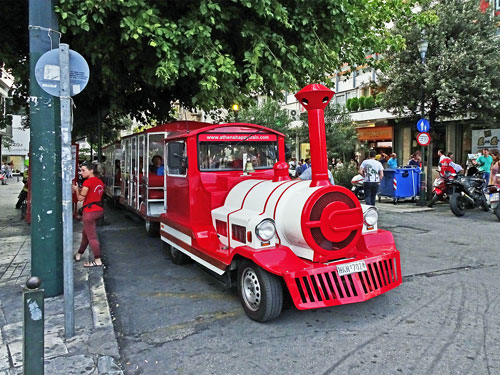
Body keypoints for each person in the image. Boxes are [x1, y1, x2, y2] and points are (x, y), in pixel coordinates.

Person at [72, 162, 105, 267]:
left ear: (91, 170)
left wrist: (77, 190)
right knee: (86, 234)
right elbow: (93, 194)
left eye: (83, 170)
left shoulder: (88, 182)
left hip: (89, 212)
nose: (81, 173)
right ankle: (79, 254)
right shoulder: (99, 181)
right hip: (98, 210)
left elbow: (80, 198)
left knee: (92, 237)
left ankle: (97, 259)